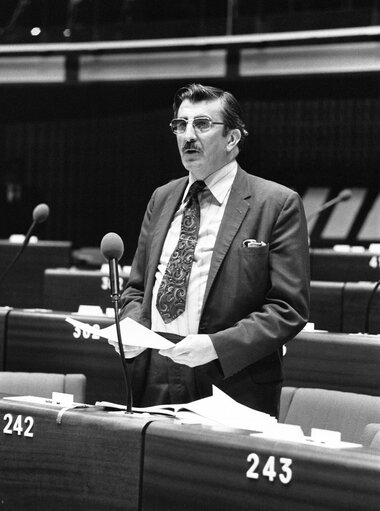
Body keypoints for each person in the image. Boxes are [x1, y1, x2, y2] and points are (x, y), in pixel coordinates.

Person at [115, 83, 310, 418]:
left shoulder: (276, 204)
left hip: (229, 378)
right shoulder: (162, 198)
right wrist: (131, 329)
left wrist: (216, 347)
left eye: (202, 124)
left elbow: (287, 308)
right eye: (181, 125)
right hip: (154, 370)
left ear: (232, 139)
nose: (188, 135)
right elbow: (136, 289)